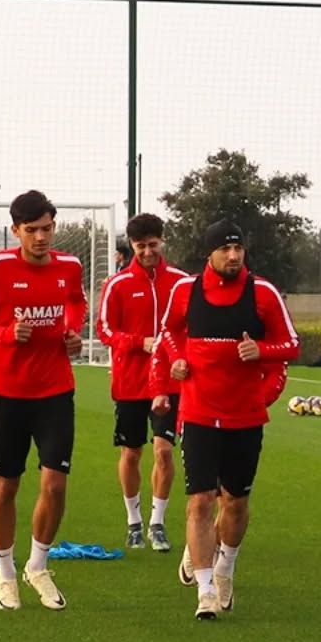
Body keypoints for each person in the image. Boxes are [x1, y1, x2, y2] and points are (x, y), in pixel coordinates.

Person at [156, 219, 299, 619]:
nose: (234, 256)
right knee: (200, 500)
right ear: (210, 253)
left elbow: (291, 344)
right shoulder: (186, 290)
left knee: (235, 502)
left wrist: (263, 351)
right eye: (225, 249)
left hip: (245, 415)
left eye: (238, 249)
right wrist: (178, 359)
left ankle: (225, 568)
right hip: (199, 411)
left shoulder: (263, 292)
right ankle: (204, 591)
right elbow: (168, 332)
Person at [0, 190, 87, 610]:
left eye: (47, 228)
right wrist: (4, 333)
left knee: (55, 484)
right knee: (6, 486)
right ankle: (6, 574)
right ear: (15, 230)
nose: (41, 237)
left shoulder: (70, 265)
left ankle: (38, 567)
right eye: (32, 230)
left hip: (56, 391)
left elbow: (76, 302)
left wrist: (73, 331)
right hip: (10, 394)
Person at [96, 211, 189, 551]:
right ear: (132, 246)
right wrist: (139, 342)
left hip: (170, 382)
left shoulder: (181, 282)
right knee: (132, 453)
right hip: (130, 382)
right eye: (140, 246)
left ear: (162, 241)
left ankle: (157, 523)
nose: (147, 252)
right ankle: (133, 521)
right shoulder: (117, 284)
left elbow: (191, 325)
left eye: (152, 244)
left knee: (164, 451)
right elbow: (104, 329)